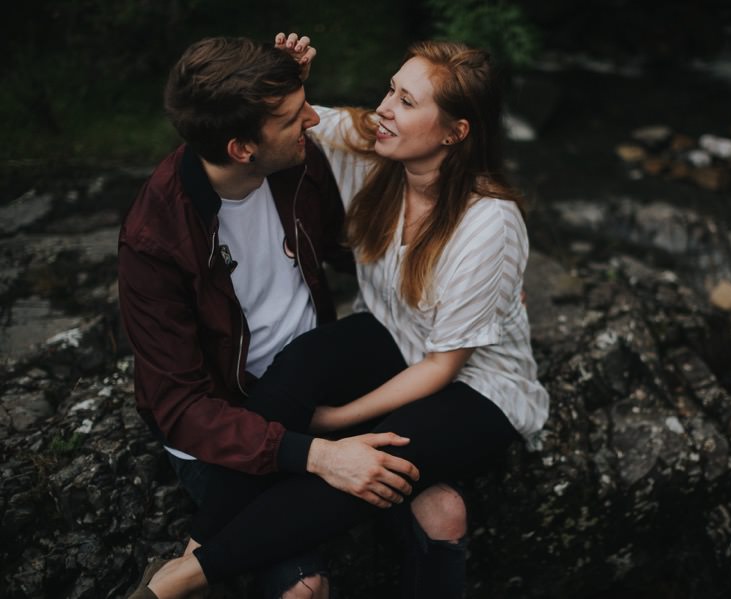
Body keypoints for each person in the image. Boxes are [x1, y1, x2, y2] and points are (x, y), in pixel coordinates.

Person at [127, 36, 549, 599]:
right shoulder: (364, 150)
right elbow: (299, 121)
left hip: (476, 379)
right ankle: (197, 549)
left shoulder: (487, 221)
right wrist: (278, 79)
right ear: (241, 147)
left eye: (405, 100)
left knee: (381, 468)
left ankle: (182, 576)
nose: (383, 110)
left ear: (455, 131)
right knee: (303, 364)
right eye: (390, 90)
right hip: (394, 339)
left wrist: (334, 424)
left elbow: (447, 362)